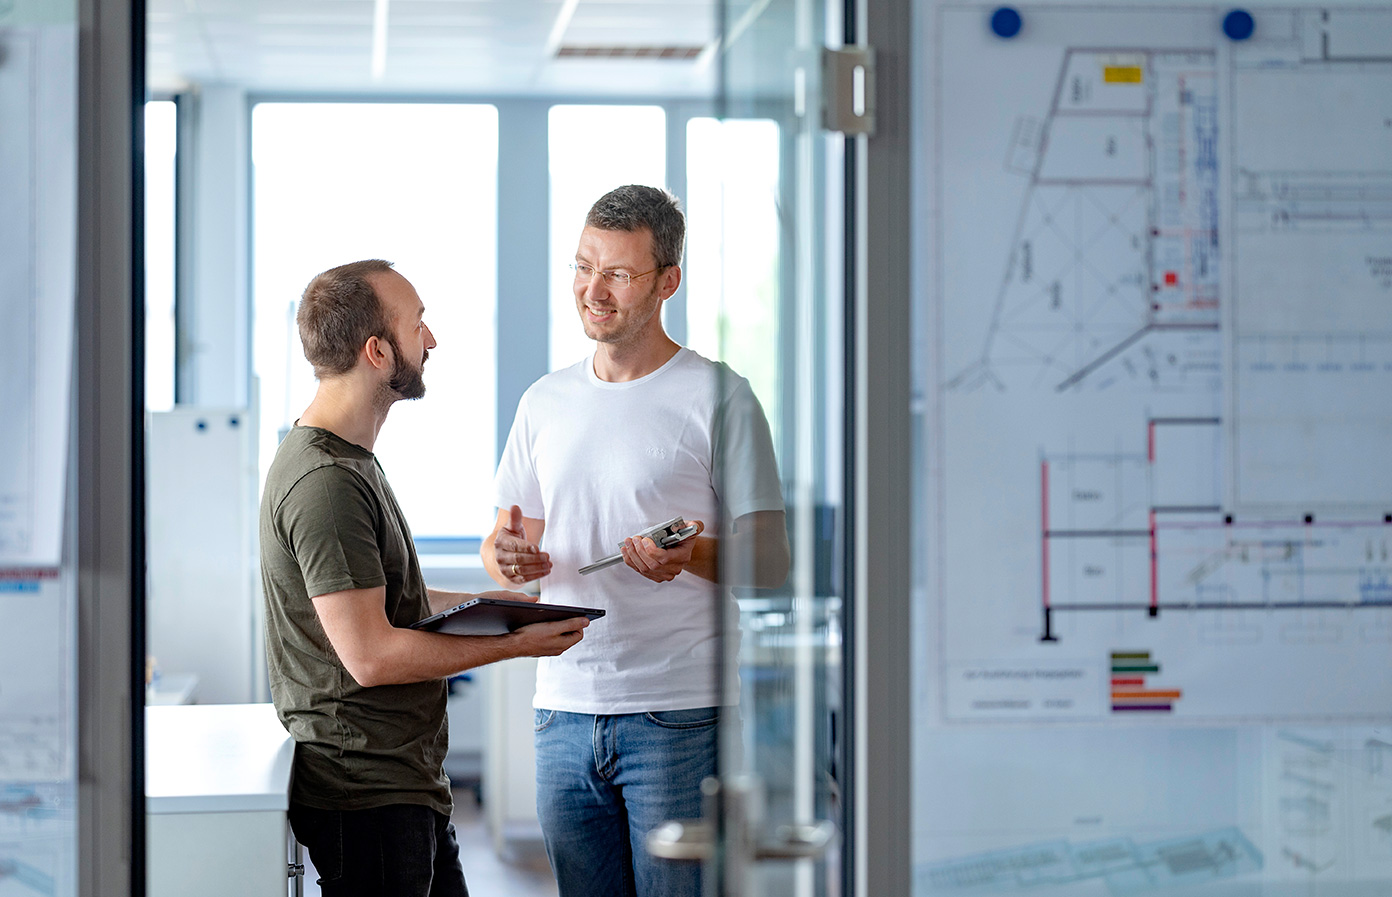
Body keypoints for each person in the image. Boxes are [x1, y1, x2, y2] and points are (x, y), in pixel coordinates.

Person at [482, 185, 790, 897]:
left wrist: (692, 556)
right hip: (562, 708)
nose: (593, 289)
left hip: (679, 710)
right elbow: (503, 542)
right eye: (584, 266)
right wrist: (505, 556)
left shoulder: (721, 395)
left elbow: (772, 560)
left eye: (618, 273)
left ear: (667, 283)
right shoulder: (543, 400)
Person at [259, 259, 590, 897]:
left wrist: (494, 603)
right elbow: (372, 655)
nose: (431, 340)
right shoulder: (325, 482)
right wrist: (514, 644)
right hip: (365, 795)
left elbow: (384, 603)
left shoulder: (349, 462)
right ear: (377, 351)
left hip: (400, 785)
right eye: (418, 327)